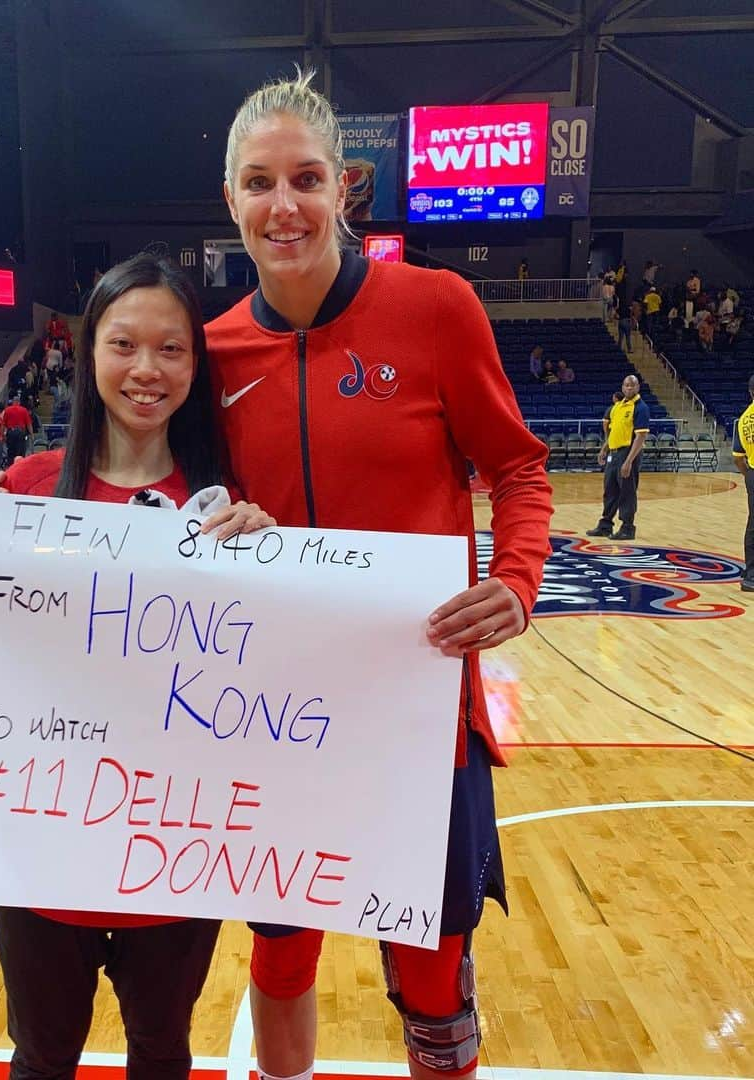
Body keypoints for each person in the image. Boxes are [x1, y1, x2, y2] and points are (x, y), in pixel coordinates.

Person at [204, 69, 553, 1080]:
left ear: (345, 188)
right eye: (259, 182)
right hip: (273, 717)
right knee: (281, 952)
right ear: (230, 197)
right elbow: (146, 515)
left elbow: (520, 466)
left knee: (434, 970)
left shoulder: (437, 308)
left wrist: (519, 580)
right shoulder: (211, 351)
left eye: (305, 179)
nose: (284, 206)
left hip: (421, 715)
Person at [0, 253, 274, 1080]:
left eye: (172, 349)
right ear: (86, 352)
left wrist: (272, 566)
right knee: (42, 1057)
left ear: (196, 364)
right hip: (42, 854)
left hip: (174, 851)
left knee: (162, 1055)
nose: (147, 370)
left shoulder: (233, 513)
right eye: (124, 345)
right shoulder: (24, 492)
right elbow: (4, 660)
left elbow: (262, 684)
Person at [586, 374, 650, 541]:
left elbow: (641, 437)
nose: (629, 388)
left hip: (628, 452)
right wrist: (604, 449)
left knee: (627, 491)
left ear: (637, 387)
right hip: (613, 453)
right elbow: (613, 432)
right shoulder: (617, 407)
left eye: (632, 385)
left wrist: (629, 460)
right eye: (626, 385)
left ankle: (628, 527)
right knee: (610, 489)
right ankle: (605, 524)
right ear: (622, 387)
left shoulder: (640, 407)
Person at [733, 374, 754, 592]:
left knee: (753, 525)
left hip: (752, 473)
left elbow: (738, 457)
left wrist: (748, 474)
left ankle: (750, 573)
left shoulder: (744, 418)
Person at [2, 394, 35, 463]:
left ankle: (11, 466)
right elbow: (29, 424)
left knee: (11, 451)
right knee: (20, 451)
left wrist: (2, 435)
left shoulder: (7, 410)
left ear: (13, 402)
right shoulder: (24, 410)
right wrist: (32, 435)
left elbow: (3, 424)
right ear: (19, 402)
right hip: (20, 432)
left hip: (11, 432)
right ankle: (19, 465)